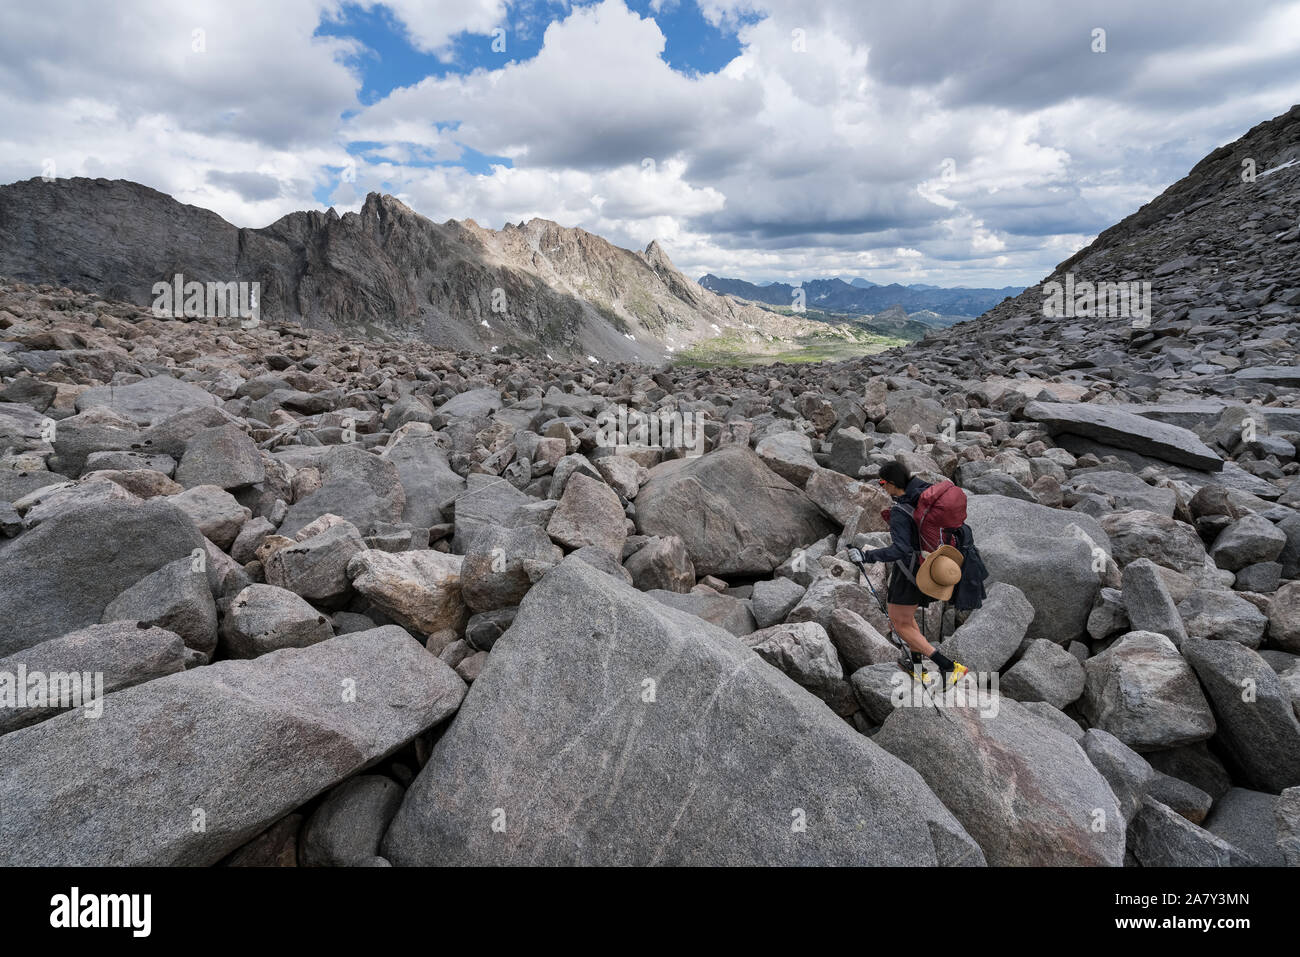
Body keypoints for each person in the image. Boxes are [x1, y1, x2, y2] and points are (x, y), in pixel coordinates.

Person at [855, 461, 969, 688]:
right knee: (906, 620)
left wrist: (865, 556)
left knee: (899, 624)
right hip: (931, 566)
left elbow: (900, 550)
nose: (881, 487)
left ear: (893, 484)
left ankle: (948, 667)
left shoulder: (899, 511)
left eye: (882, 483)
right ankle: (917, 668)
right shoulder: (925, 492)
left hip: (909, 572)